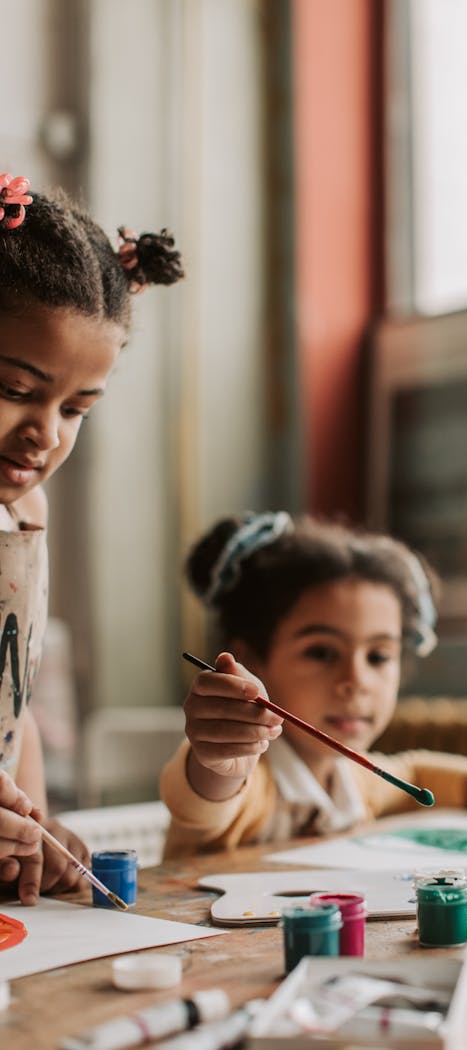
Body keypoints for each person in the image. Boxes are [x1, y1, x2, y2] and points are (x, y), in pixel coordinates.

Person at [161, 512, 467, 858]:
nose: (356, 682)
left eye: (379, 656)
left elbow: (416, 771)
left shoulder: (353, 779)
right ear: (250, 660)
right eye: (322, 653)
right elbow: (209, 797)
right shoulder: (251, 776)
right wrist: (218, 758)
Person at [0, 171, 184, 903]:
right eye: (14, 389)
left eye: (77, 408)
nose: (45, 433)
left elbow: (14, 708)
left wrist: (38, 830)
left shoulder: (25, 517)